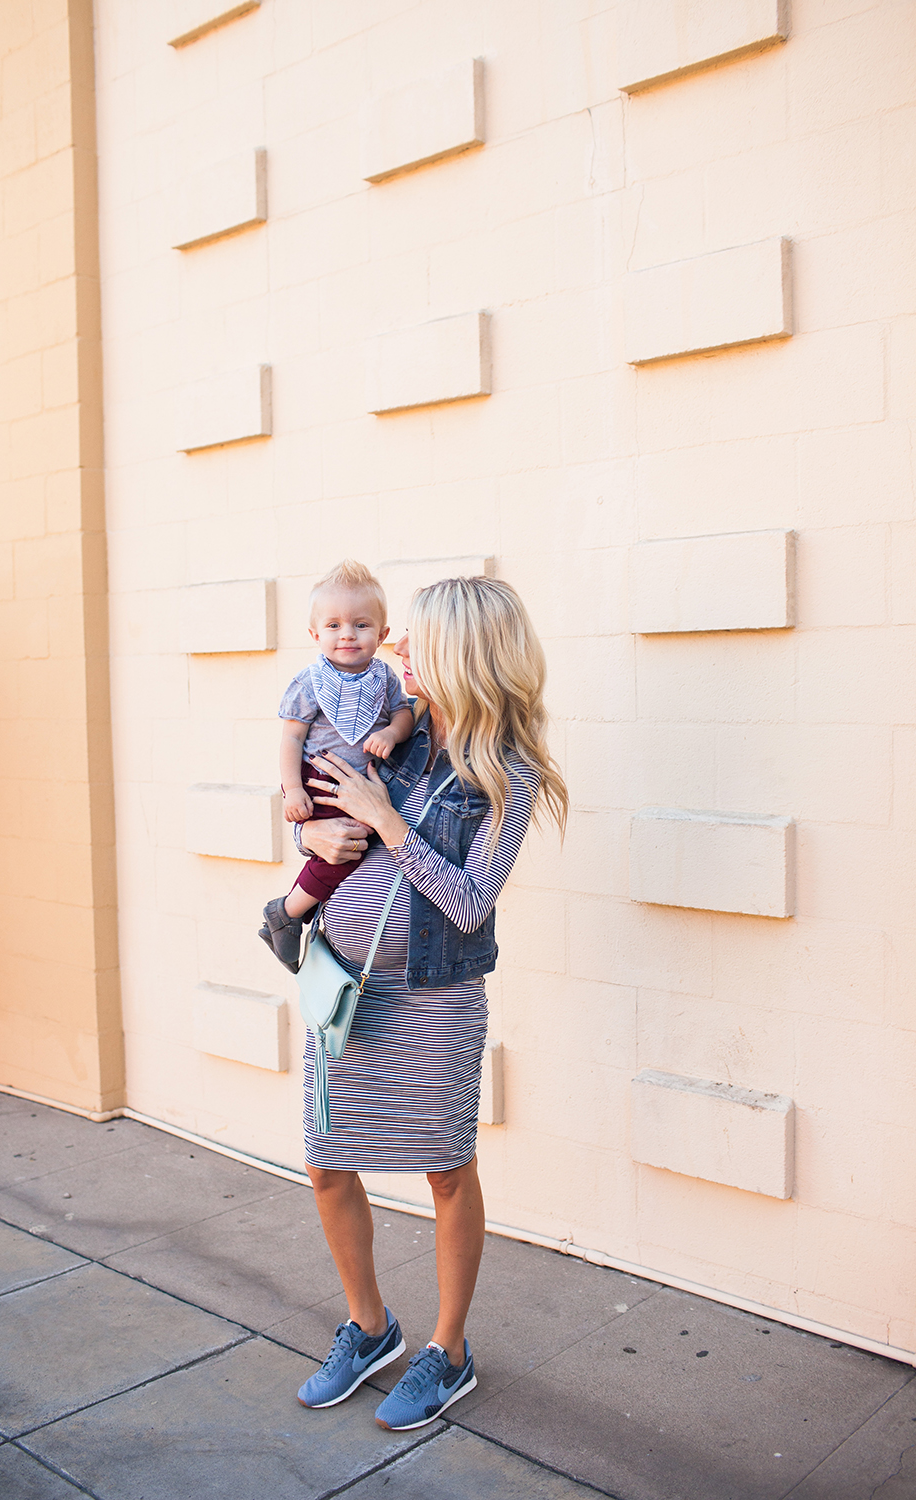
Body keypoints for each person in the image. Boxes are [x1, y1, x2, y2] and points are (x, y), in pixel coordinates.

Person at [291, 575, 568, 1430]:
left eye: (419, 638)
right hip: (346, 985)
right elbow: (308, 798)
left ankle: (448, 1351)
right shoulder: (389, 735)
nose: (398, 648)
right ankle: (369, 1328)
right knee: (328, 1163)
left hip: (435, 1000)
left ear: (464, 654)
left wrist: (388, 819)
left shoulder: (507, 776)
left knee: (446, 1172)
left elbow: (470, 901)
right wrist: (307, 831)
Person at [259, 560, 413, 972]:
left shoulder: (385, 678)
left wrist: (393, 734)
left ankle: (290, 915)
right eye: (333, 626)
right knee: (344, 849)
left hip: (363, 784)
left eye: (361, 625)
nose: (347, 634)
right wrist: (293, 791)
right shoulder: (310, 682)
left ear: (382, 635)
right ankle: (288, 912)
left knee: (348, 848)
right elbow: (291, 739)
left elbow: (403, 716)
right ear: (314, 634)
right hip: (322, 780)